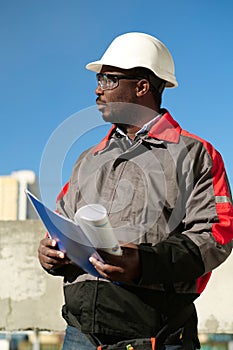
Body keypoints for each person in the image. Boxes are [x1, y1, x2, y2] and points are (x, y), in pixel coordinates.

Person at [38, 32, 233, 350]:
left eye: (109, 79)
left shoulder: (195, 154)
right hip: (80, 334)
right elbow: (62, 223)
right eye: (100, 79)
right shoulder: (88, 159)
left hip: (156, 337)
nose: (97, 89)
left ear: (142, 87)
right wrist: (52, 253)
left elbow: (216, 237)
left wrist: (144, 263)